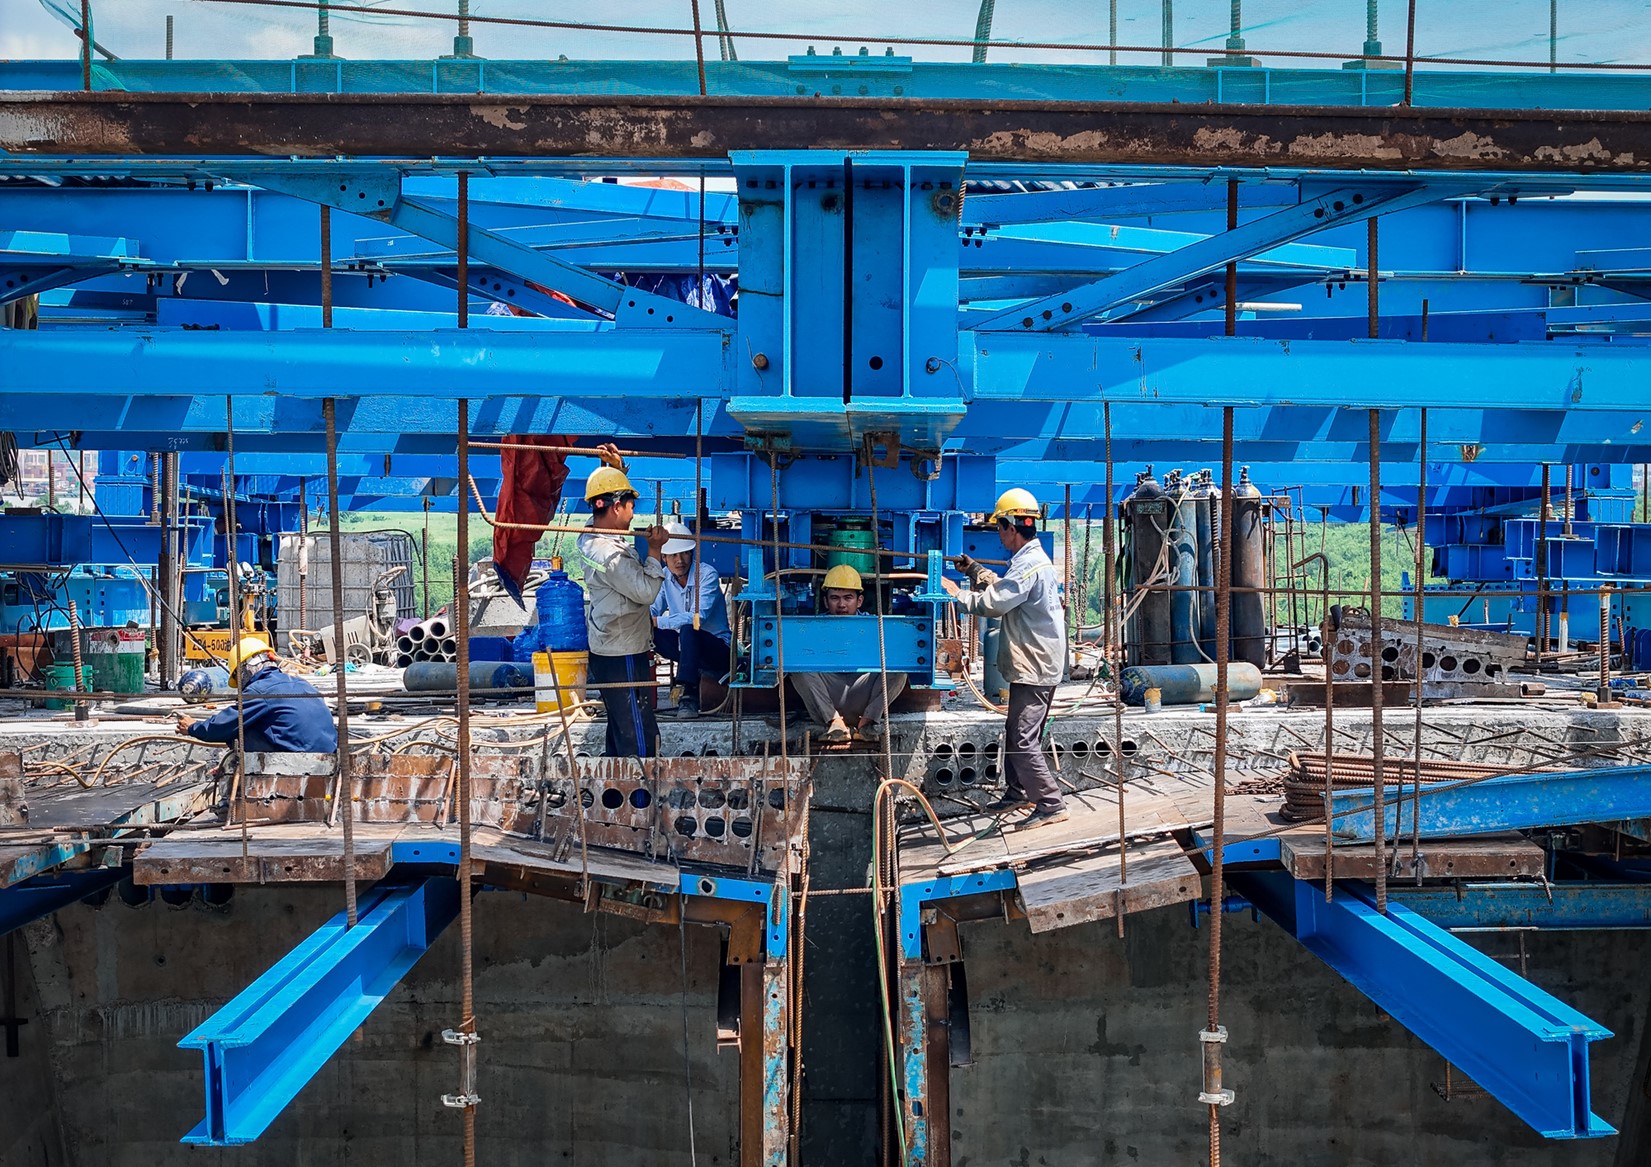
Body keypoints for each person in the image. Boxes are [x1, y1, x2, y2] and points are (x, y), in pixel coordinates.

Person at [942, 489, 1069, 829]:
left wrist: (958, 595)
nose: (998, 535)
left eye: (999, 528)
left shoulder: (1029, 565)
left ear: (1012, 527)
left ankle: (1051, 803)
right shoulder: (1029, 562)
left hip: (1036, 665)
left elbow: (995, 603)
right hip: (1036, 661)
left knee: (1024, 736)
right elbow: (1006, 588)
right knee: (1016, 730)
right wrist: (975, 571)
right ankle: (1018, 792)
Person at [577, 459, 669, 757]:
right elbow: (646, 592)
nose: (634, 514)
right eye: (630, 506)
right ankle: (642, 798)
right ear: (616, 507)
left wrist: (615, 471)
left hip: (608, 646)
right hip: (623, 652)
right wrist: (655, 551)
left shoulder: (590, 538)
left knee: (621, 727)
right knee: (639, 737)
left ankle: (616, 795)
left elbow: (609, 508)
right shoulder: (610, 554)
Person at [791, 564, 908, 746]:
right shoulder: (814, 627)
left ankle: (866, 724)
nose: (841, 604)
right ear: (825, 601)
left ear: (859, 601)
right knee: (797, 668)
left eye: (848, 598)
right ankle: (835, 723)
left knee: (900, 670)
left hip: (864, 690)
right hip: (828, 693)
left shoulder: (872, 624)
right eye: (835, 598)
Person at [174, 635, 338, 754]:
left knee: (240, 733)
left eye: (237, 676)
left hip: (298, 761)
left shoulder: (261, 690)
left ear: (245, 668)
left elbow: (223, 725)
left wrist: (193, 727)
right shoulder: (302, 683)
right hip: (327, 756)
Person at [650, 521, 731, 721]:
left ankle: (688, 692)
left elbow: (698, 617)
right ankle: (637, 686)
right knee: (647, 631)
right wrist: (643, 620)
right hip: (685, 647)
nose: (680, 560)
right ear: (664, 557)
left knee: (688, 627)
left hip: (716, 649)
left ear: (692, 553)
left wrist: (658, 621)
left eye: (685, 553)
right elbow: (652, 609)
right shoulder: (665, 578)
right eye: (674, 555)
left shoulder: (707, 574)